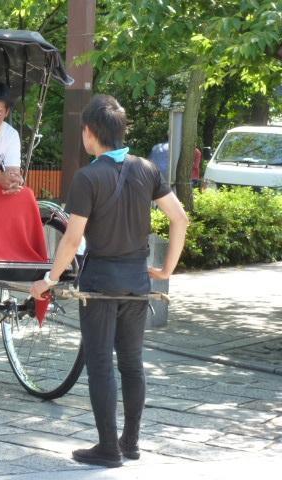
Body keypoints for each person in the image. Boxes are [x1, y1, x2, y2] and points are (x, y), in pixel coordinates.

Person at [30, 95, 188, 468]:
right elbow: (179, 218)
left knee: (100, 362)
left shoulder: (88, 177)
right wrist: (166, 270)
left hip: (100, 282)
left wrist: (49, 279)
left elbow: (72, 239)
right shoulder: (147, 169)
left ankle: (107, 448)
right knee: (131, 363)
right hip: (137, 280)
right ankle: (129, 442)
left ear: (89, 133)